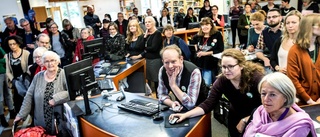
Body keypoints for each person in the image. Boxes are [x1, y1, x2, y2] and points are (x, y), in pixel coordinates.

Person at [169, 49, 264, 137]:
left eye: (230, 66)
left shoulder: (256, 78)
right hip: (235, 116)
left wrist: (246, 119)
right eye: (224, 67)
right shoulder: (222, 80)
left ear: (241, 65)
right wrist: (185, 115)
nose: (226, 71)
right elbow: (208, 103)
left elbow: (269, 106)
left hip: (259, 118)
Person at [241, 72, 317, 137]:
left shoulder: (300, 126)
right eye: (263, 93)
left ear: (286, 96)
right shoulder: (258, 113)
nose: (266, 99)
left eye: (272, 95)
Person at [14, 51, 69, 135]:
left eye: (53, 60)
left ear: (58, 61)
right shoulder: (38, 76)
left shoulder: (64, 74)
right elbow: (29, 96)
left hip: (59, 123)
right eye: (46, 61)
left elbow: (72, 92)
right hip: (40, 122)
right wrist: (21, 115)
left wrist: (56, 99)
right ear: (43, 63)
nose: (50, 63)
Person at [158, 45, 208, 111]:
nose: (170, 66)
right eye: (166, 62)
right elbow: (161, 95)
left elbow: (190, 104)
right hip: (180, 106)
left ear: (181, 59)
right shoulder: (162, 70)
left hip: (200, 108)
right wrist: (172, 103)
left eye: (173, 62)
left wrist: (173, 85)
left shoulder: (194, 72)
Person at [287, 13, 320, 105]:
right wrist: (308, 100)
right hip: (302, 102)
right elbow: (293, 79)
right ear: (309, 27)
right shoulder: (295, 50)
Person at [193, 17, 224, 87]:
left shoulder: (217, 34)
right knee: (200, 83)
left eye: (207, 24)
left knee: (207, 83)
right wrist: (197, 50)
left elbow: (220, 49)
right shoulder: (198, 36)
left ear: (211, 26)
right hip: (200, 63)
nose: (204, 27)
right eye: (203, 25)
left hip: (211, 63)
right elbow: (194, 42)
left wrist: (205, 53)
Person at [4, 35, 30, 117]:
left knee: (29, 99)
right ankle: (20, 117)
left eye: (14, 44)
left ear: (18, 43)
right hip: (16, 81)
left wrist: (26, 77)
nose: (12, 46)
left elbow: (29, 67)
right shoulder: (7, 56)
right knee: (18, 102)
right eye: (10, 44)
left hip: (26, 79)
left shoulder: (26, 53)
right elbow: (7, 71)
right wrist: (13, 80)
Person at [255, 8, 282, 74]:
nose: (271, 19)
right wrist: (265, 59)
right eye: (269, 17)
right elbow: (258, 50)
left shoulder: (287, 30)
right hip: (272, 63)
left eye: (274, 17)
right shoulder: (264, 32)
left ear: (280, 18)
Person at [144, 16, 163, 97]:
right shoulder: (147, 34)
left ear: (153, 23)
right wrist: (144, 37)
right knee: (150, 80)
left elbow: (153, 48)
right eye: (146, 22)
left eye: (149, 22)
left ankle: (159, 97)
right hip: (148, 60)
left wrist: (145, 49)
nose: (147, 24)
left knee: (156, 81)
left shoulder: (157, 33)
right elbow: (143, 45)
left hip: (155, 60)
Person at [0, 46, 14, 127]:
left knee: (8, 93)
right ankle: (2, 117)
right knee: (0, 97)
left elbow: (6, 58)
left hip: (4, 72)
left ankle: (12, 111)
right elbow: (5, 59)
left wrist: (2, 61)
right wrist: (3, 61)